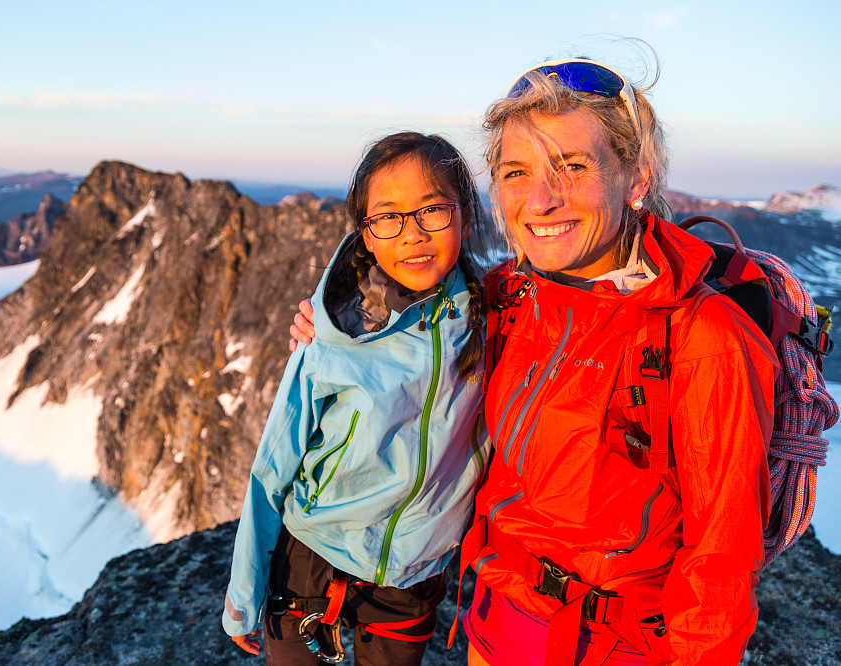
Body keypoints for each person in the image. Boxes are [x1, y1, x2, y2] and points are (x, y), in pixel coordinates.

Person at [292, 58, 777, 666]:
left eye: (572, 167)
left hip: (610, 648)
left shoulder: (701, 335)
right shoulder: (506, 297)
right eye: (516, 172)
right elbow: (414, 332)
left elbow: (722, 556)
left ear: (634, 179)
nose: (540, 200)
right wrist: (335, 328)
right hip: (493, 625)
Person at [223, 131, 504, 665]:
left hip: (413, 571)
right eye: (388, 217)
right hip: (312, 555)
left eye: (432, 210)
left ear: (464, 214)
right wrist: (243, 594)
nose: (412, 234)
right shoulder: (332, 334)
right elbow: (275, 461)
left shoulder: (495, 316)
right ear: (366, 235)